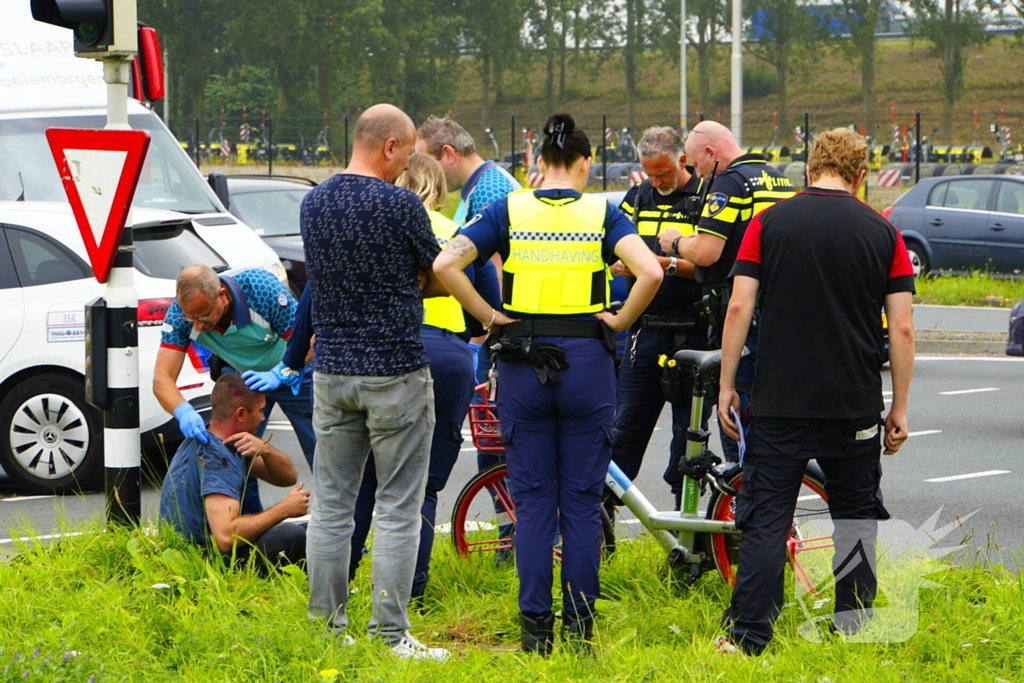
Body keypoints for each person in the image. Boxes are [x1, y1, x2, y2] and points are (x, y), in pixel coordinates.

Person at [434, 112, 662, 655]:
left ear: (538, 164)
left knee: (533, 503)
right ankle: (581, 632)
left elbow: (448, 263)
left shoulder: (509, 209)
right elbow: (650, 272)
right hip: (587, 362)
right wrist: (620, 320)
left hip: (521, 363)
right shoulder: (603, 212)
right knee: (582, 503)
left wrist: (490, 317)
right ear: (585, 163)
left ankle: (535, 634)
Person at [715, 127, 915, 655]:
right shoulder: (884, 233)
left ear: (808, 168)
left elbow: (739, 307)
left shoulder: (769, 223)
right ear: (862, 175)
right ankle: (853, 626)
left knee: (766, 517)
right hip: (853, 402)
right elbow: (902, 330)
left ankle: (749, 635)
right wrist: (899, 407)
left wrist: (727, 383)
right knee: (854, 514)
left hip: (780, 398)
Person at [301, 103, 449, 661]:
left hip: (333, 372)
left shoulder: (313, 202)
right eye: (407, 153)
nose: (406, 164)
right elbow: (439, 275)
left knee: (333, 506)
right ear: (389, 146)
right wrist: (408, 284)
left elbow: (324, 281)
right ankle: (389, 635)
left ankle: (325, 628)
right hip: (395, 373)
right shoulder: (402, 205)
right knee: (397, 507)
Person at [347, 154, 501, 598]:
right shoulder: (457, 234)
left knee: (367, 479)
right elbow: (487, 306)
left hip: (387, 351)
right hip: (449, 356)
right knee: (425, 482)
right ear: (439, 186)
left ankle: (346, 577)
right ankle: (411, 588)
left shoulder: (375, 229)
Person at [657, 121, 795, 462]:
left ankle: (744, 495)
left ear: (711, 152)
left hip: (744, 310)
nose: (696, 172)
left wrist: (675, 242)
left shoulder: (729, 183)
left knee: (737, 411)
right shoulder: (777, 178)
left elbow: (707, 252)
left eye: (695, 163)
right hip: (781, 308)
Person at [609, 126, 708, 509]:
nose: (657, 181)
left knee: (688, 437)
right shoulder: (637, 196)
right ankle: (602, 525)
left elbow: (709, 263)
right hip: (644, 331)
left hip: (692, 333)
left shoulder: (704, 198)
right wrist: (620, 263)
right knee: (624, 431)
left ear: (683, 160)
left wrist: (663, 265)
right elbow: (616, 243)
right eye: (649, 173)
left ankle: (687, 529)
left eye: (663, 173)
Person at [154, 265, 316, 470]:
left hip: (292, 369)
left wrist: (280, 372)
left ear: (222, 295)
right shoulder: (181, 313)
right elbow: (162, 378)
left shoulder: (261, 290)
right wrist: (182, 410)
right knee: (231, 456)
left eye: (204, 316)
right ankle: (243, 503)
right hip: (243, 377)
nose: (197, 326)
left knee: (321, 449)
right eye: (191, 318)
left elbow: (308, 342)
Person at [159, 374, 309, 571]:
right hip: (204, 560)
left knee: (314, 531)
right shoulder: (217, 459)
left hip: (202, 551)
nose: (263, 417)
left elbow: (287, 478)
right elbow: (226, 537)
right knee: (291, 535)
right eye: (260, 411)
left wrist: (266, 449)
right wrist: (285, 509)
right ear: (240, 414)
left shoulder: (222, 441)